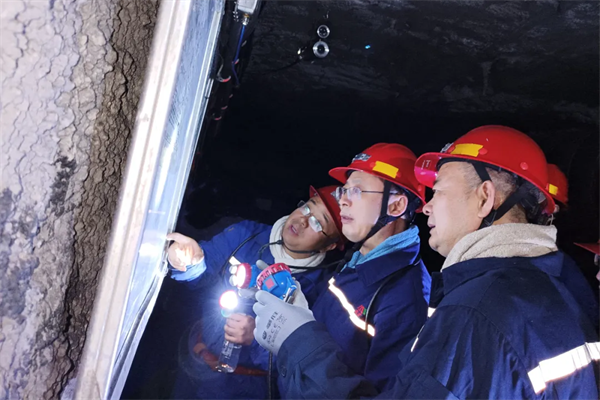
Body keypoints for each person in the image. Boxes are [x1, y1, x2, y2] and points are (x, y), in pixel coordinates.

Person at [253, 126, 600, 399]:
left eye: (439, 191)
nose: (427, 206)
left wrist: (297, 341)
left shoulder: (474, 311)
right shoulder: (556, 293)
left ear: (485, 198)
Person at [257, 143, 432, 393]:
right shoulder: (357, 263)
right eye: (344, 190)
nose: (343, 201)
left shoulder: (406, 298)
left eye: (357, 191)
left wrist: (299, 338)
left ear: (395, 206)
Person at [167, 185, 345, 400]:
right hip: (197, 358)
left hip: (243, 388)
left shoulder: (319, 293)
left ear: (329, 246)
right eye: (307, 208)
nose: (303, 221)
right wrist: (188, 261)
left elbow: (301, 367)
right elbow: (202, 272)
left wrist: (257, 337)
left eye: (318, 222)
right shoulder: (247, 235)